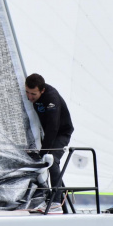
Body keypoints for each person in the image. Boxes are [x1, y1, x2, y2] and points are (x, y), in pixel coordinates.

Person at [25, 73, 74, 213]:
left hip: (61, 133)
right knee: (43, 161)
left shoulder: (51, 97)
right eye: (27, 92)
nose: (29, 97)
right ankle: (50, 198)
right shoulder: (32, 94)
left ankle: (56, 204)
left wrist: (43, 152)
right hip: (46, 134)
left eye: (33, 94)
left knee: (51, 160)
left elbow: (53, 127)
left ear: (42, 90)